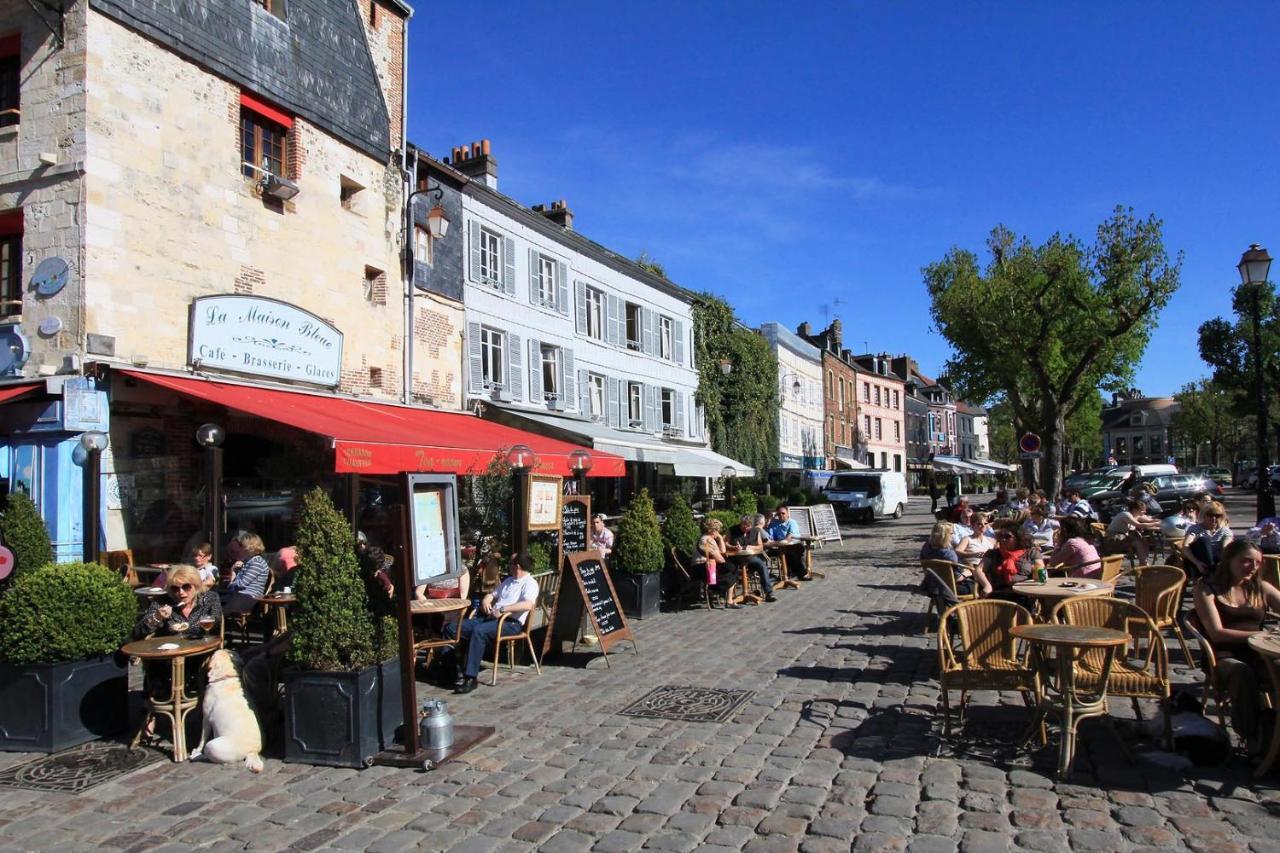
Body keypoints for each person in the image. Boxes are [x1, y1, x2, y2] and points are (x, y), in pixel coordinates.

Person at [1191, 540, 1280, 750]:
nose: (1253, 567)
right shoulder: (1207, 589)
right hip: (1223, 655)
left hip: (1259, 654)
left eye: (1258, 563)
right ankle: (1252, 737)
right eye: (1246, 561)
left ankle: (1274, 732)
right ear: (1228, 560)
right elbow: (1217, 633)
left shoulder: (1260, 588)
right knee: (1242, 672)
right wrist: (1261, 634)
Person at [443, 553, 540, 694]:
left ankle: (471, 678)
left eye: (510, 563)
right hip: (491, 618)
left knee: (479, 632)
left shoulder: (529, 583)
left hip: (510, 623)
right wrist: (486, 600)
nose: (508, 566)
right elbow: (492, 594)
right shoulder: (509, 581)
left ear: (517, 566)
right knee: (452, 628)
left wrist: (503, 609)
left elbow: (528, 605)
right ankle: (452, 671)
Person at [135, 564, 223, 640]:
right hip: (170, 654)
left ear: (196, 586)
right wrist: (156, 617)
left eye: (186, 587)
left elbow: (217, 627)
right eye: (175, 588)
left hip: (201, 651)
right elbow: (137, 634)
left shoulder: (209, 598)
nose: (181, 592)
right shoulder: (162, 602)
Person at [921, 521, 991, 598]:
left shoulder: (926, 547)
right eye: (951, 533)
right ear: (945, 536)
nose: (953, 536)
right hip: (950, 588)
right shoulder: (949, 554)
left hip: (931, 585)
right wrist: (968, 572)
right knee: (982, 585)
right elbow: (955, 578)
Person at [727, 515, 777, 603]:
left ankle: (768, 592)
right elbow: (725, 544)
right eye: (743, 525)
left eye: (748, 526)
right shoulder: (732, 530)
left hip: (749, 557)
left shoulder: (756, 531)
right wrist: (733, 547)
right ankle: (731, 596)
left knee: (761, 565)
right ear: (740, 523)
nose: (746, 527)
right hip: (736, 557)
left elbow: (760, 547)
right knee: (731, 568)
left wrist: (751, 547)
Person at [982, 526, 1044, 595]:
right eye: (1001, 536)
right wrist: (987, 585)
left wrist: (1034, 569)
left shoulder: (1031, 552)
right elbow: (978, 570)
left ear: (1018, 538)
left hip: (1025, 593)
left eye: (1007, 536)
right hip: (999, 592)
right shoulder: (993, 553)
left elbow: (1040, 568)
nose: (1003, 539)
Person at [219, 531, 270, 615]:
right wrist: (233, 571)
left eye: (242, 545)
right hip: (239, 595)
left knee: (217, 611)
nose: (240, 548)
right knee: (212, 597)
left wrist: (232, 582)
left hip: (249, 598)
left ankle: (209, 626)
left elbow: (241, 584)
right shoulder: (248, 561)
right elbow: (234, 587)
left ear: (250, 547)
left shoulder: (257, 562)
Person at [1184, 501, 1234, 579]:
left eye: (1217, 516)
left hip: (1217, 563)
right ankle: (1212, 573)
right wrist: (1197, 563)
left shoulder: (1225, 531)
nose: (1214, 518)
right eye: (1210, 515)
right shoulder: (1195, 528)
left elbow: (1226, 546)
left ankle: (1212, 572)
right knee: (1204, 540)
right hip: (1197, 562)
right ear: (1204, 515)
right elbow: (1186, 546)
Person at [1104, 498, 1161, 565]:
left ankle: (1143, 561)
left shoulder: (1136, 515)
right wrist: (1156, 524)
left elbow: (1150, 520)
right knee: (1137, 541)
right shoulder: (1125, 515)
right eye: (1142, 510)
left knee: (1143, 540)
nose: (1145, 512)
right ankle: (1143, 563)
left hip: (1123, 538)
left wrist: (1161, 521)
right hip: (1113, 539)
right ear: (1135, 510)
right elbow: (1139, 525)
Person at [698, 518, 739, 606]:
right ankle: (726, 598)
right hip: (705, 568)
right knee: (733, 569)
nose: (718, 532)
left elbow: (722, 551)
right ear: (713, 530)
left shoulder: (706, 538)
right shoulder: (708, 540)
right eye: (717, 530)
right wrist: (724, 563)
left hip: (706, 566)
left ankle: (722, 595)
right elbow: (720, 558)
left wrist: (720, 538)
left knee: (733, 568)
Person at [767, 505, 809, 581]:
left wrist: (777, 542)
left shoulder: (792, 522)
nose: (781, 515)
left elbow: (790, 537)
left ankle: (798, 573)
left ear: (788, 514)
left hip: (795, 545)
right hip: (780, 546)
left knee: (792, 553)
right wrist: (769, 520)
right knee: (786, 553)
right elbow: (769, 537)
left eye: (783, 513)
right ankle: (796, 573)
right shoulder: (774, 524)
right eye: (779, 514)